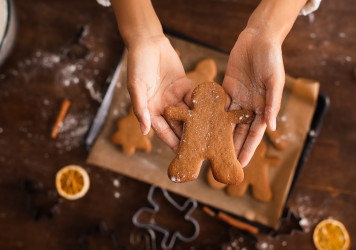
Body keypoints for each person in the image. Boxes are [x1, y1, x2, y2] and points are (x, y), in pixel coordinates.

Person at [107, 0, 321, 166]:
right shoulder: (204, 113)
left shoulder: (206, 113)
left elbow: (223, 115)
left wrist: (267, 31)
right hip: (167, 12)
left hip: (246, 13)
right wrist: (142, 34)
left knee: (220, 157)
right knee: (192, 157)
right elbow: (185, 114)